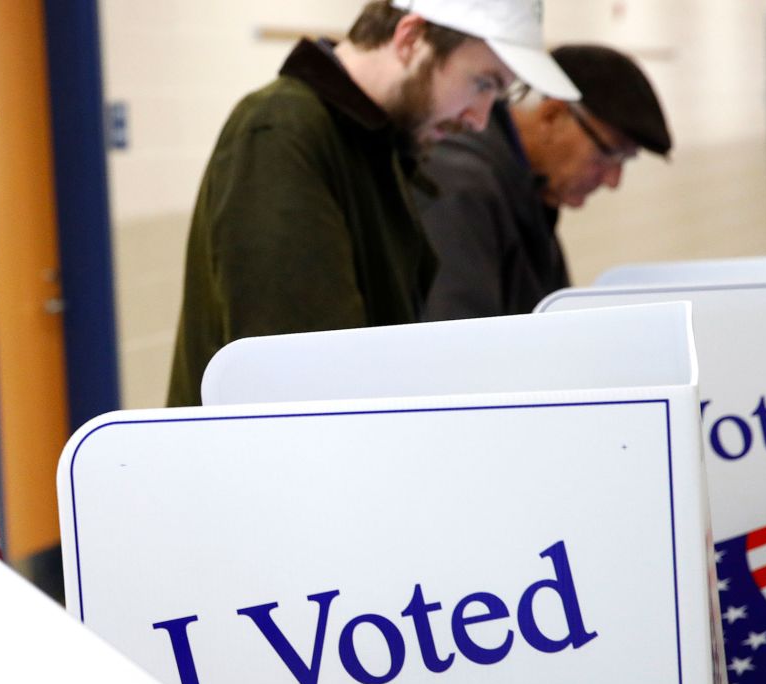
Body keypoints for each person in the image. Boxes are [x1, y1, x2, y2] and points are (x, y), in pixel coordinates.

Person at [166, 0, 580, 407]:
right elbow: (299, 384)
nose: (479, 119)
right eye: (483, 83)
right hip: (251, 468)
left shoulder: (379, 147)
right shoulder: (281, 132)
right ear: (410, 38)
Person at [418, 45, 673, 320]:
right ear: (551, 116)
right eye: (610, 153)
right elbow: (458, 345)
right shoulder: (462, 190)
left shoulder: (528, 188)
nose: (614, 180)